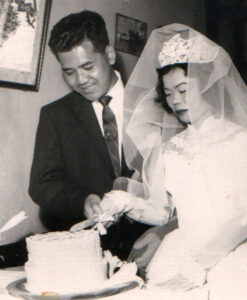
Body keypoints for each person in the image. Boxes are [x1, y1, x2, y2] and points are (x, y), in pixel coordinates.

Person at [97, 24, 247, 298]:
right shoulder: (172, 146)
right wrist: (124, 203)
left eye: (183, 89)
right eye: (169, 94)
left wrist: (199, 262)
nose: (177, 101)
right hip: (179, 252)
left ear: (206, 84)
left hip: (235, 257)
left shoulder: (243, 139)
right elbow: (162, 211)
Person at [28, 10, 151, 260]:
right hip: (88, 253)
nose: (80, 80)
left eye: (87, 66)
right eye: (69, 71)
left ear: (109, 54)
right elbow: (41, 185)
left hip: (154, 244)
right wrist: (83, 200)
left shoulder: (152, 103)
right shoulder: (55, 115)